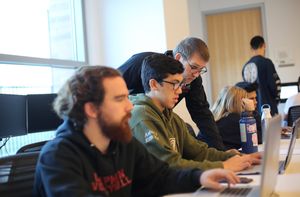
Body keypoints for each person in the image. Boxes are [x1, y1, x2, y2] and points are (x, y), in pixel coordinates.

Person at [33, 66, 240, 197]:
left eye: (127, 97)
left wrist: (200, 177)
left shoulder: (122, 142)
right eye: (119, 99)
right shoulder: (58, 156)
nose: (130, 106)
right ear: (92, 109)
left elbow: (161, 176)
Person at [129, 54, 261, 172]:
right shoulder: (142, 117)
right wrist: (223, 166)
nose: (180, 91)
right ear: (154, 84)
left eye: (180, 84)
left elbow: (199, 152)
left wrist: (231, 156)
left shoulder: (172, 117)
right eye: (174, 84)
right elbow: (168, 165)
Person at [118, 37, 226, 150]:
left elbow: (202, 113)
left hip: (159, 120)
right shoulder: (142, 62)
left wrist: (221, 152)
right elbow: (110, 86)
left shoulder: (193, 79)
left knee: (185, 131)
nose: (196, 75)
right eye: (194, 67)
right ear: (178, 58)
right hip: (132, 123)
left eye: (201, 70)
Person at [242, 35, 281, 116]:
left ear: (251, 48)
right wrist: (276, 100)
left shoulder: (246, 66)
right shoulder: (267, 63)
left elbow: (246, 90)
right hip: (268, 108)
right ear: (264, 45)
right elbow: (275, 86)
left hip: (252, 110)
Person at [211, 86, 258, 150]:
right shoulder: (233, 120)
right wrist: (250, 111)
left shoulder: (220, 118)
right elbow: (256, 138)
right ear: (240, 103)